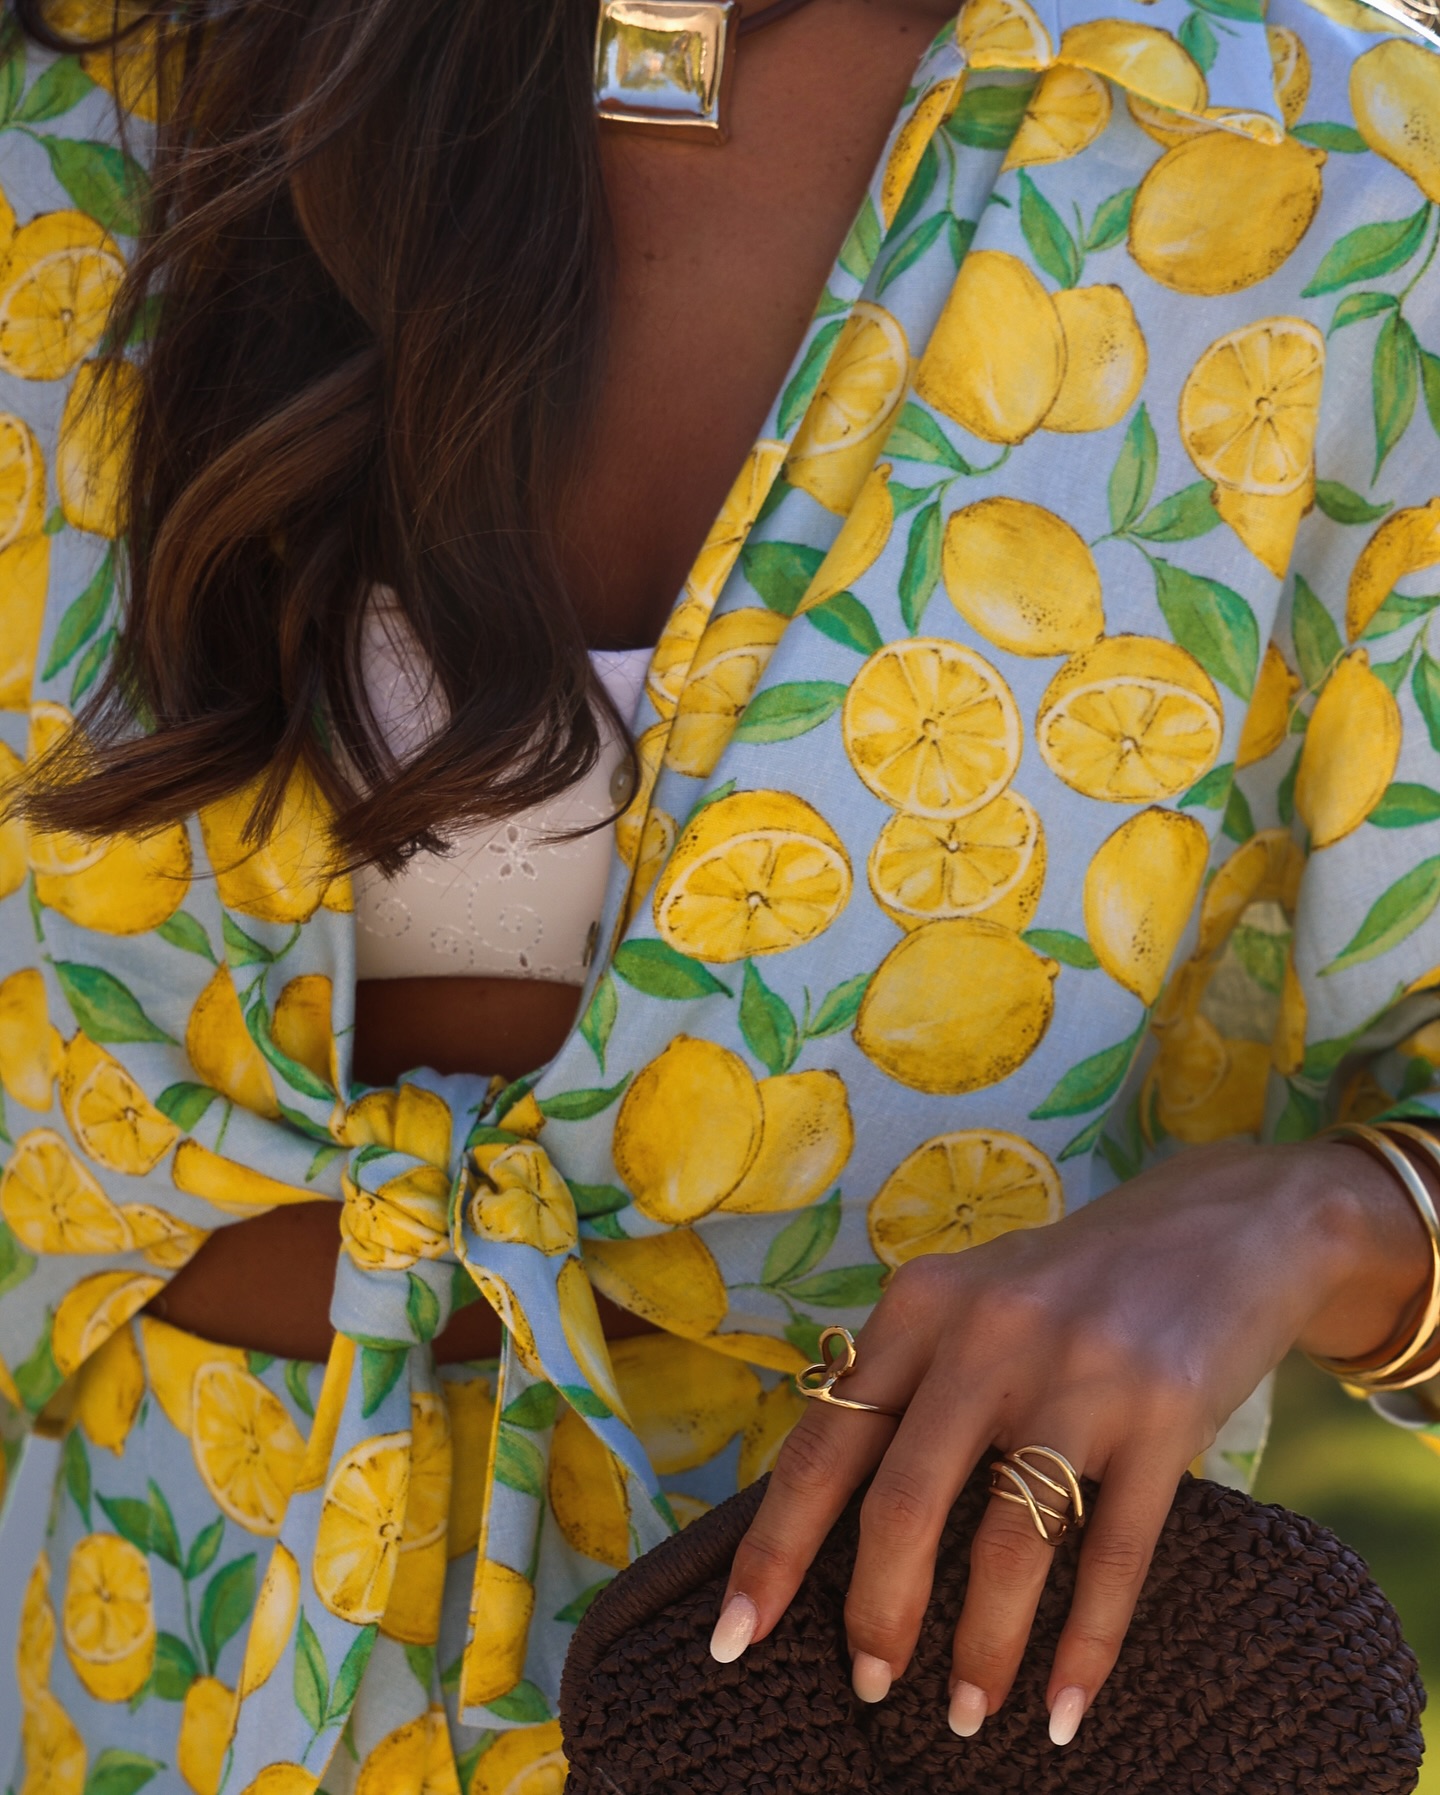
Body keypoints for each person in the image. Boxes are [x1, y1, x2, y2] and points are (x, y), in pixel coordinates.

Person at [1, 0, 1439, 1785]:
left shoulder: (1328, 179)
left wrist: (1315, 1223)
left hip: (893, 1719)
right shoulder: (89, 100)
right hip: (145, 1661)